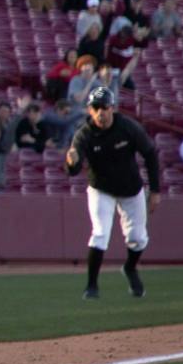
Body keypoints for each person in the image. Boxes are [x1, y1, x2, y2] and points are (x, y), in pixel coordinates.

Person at [64, 86, 160, 299]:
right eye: (96, 107)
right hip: (101, 189)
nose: (101, 112)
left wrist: (155, 190)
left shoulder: (127, 127)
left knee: (138, 238)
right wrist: (71, 163)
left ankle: (130, 268)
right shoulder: (84, 134)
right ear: (90, 110)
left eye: (105, 107)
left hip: (130, 188)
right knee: (100, 234)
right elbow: (73, 168)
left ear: (112, 108)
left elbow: (150, 153)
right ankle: (91, 286)